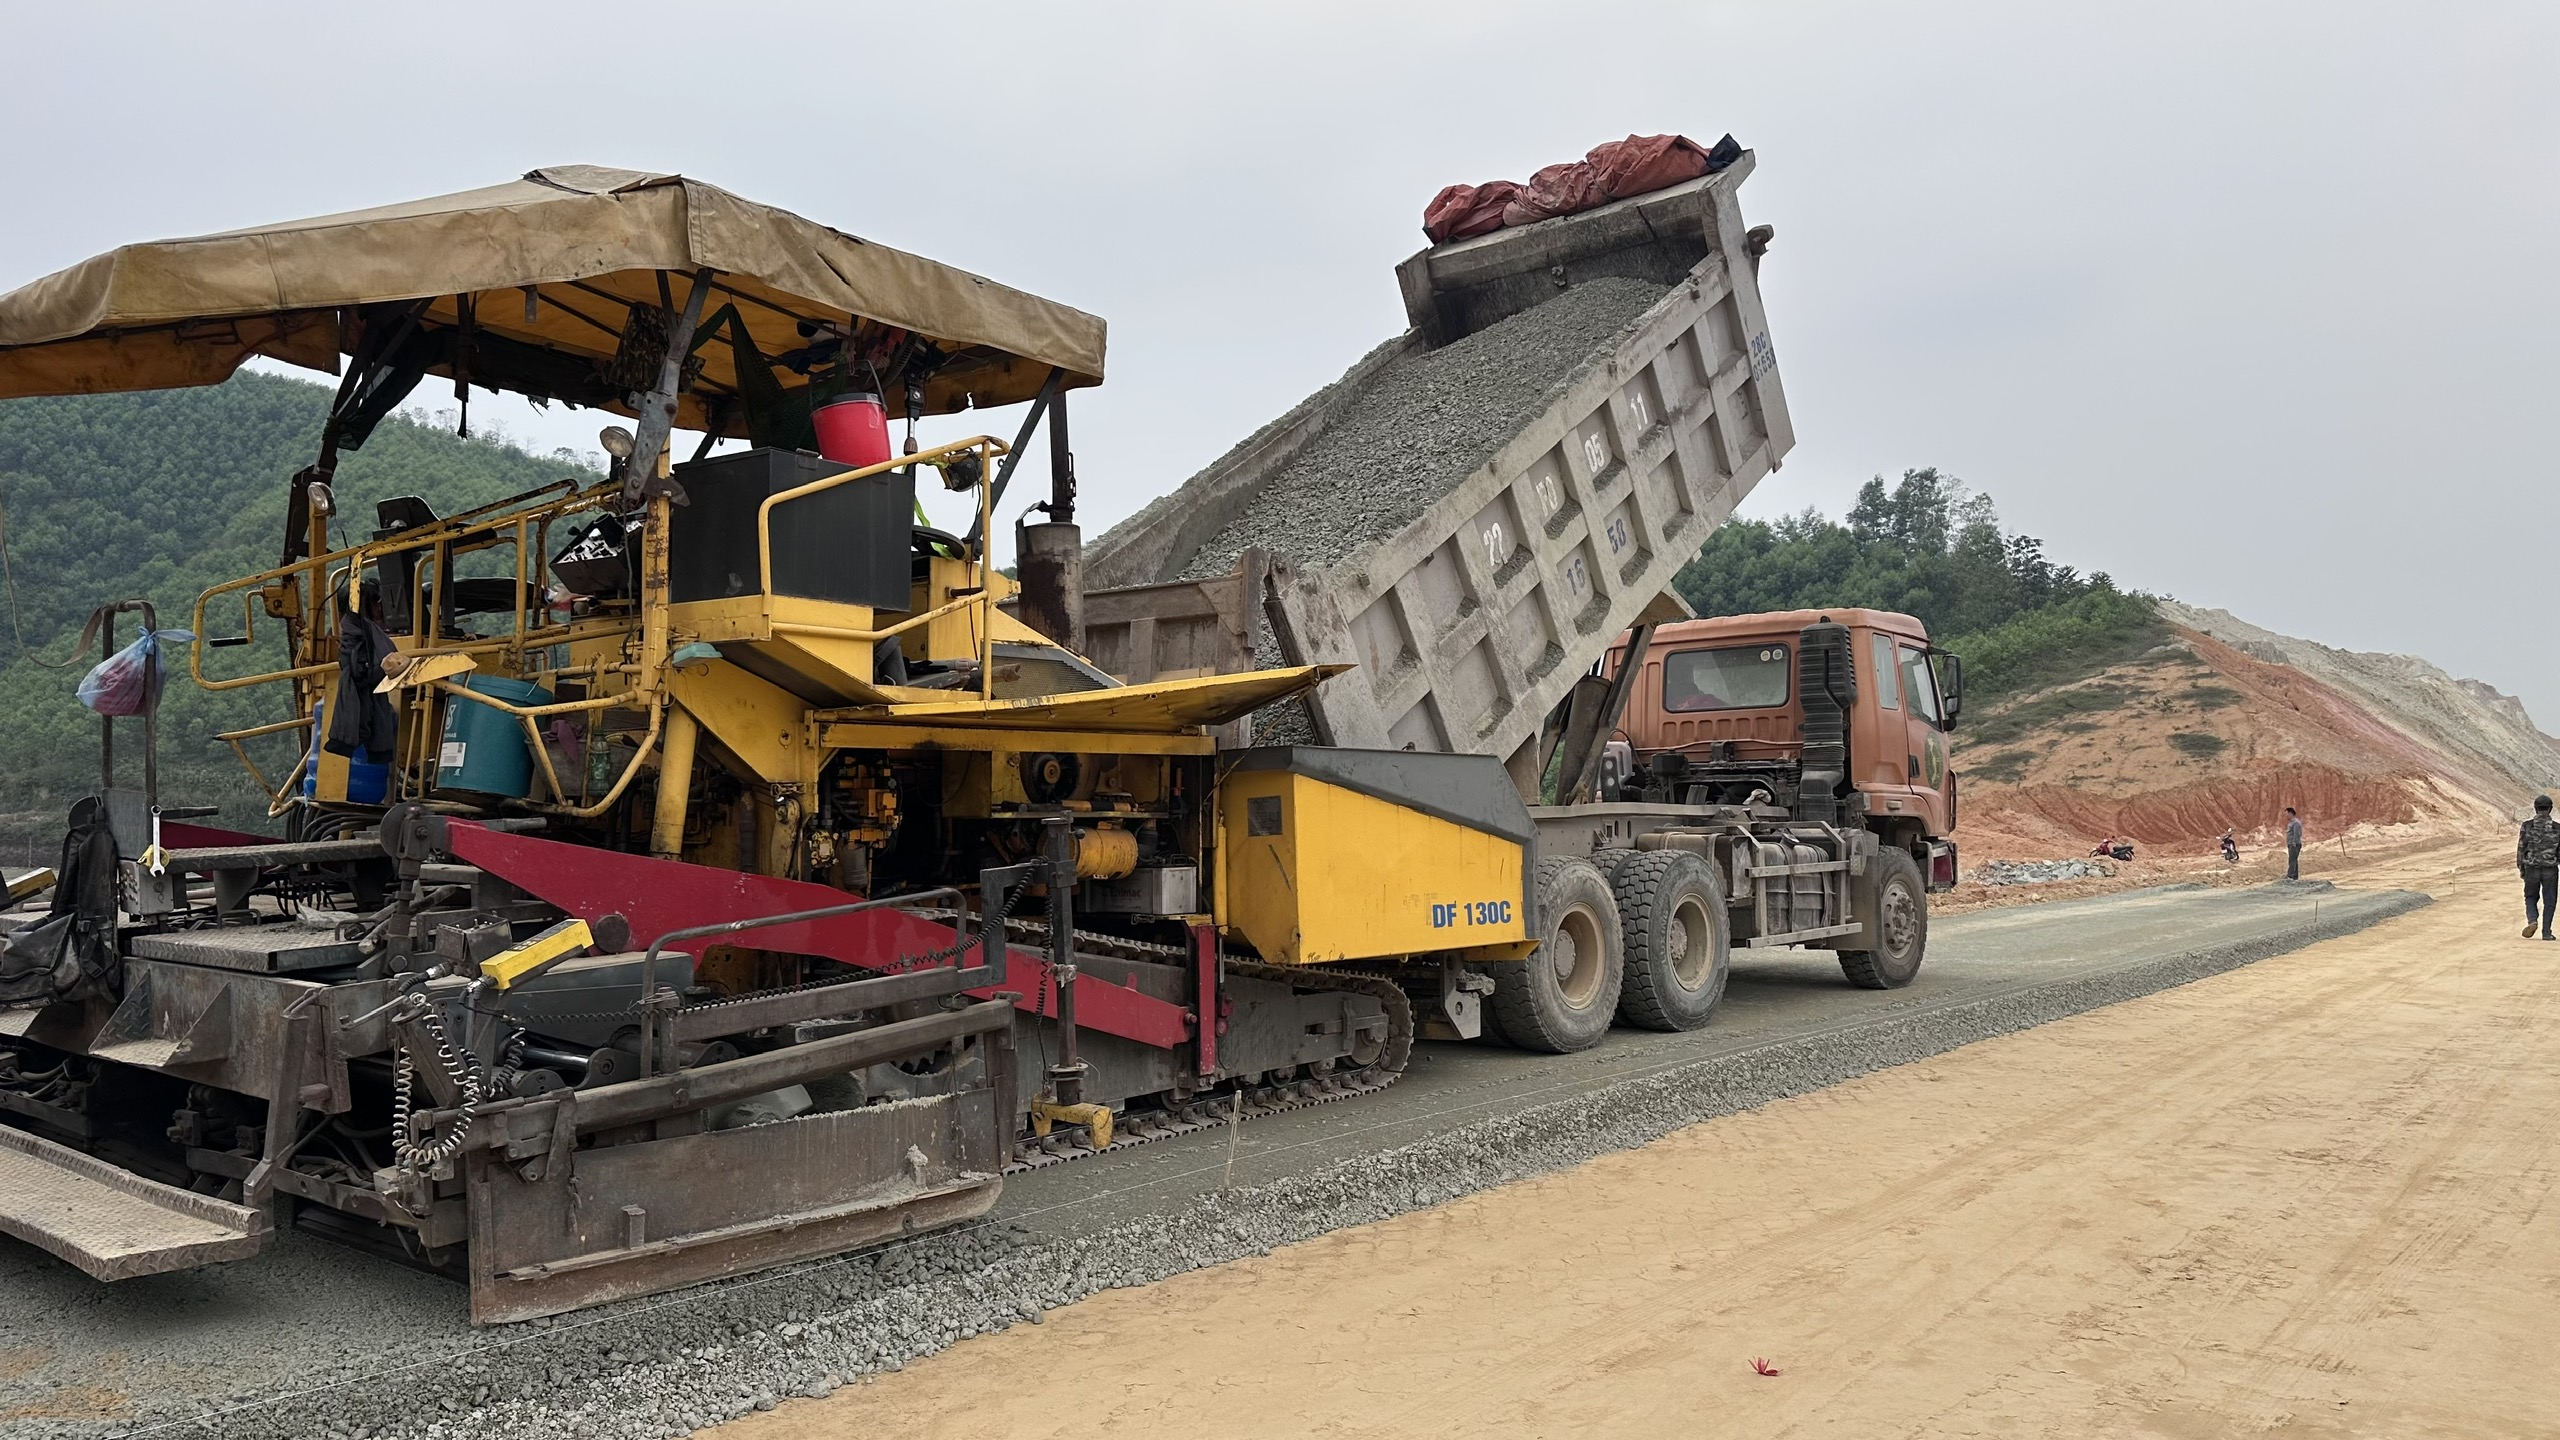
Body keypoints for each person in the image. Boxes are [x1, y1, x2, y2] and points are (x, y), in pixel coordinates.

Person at [2519, 795, 2560, 940]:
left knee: (2530, 896)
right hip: (2550, 870)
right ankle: (2546, 932)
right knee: (2550, 900)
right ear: (2550, 809)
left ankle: (2532, 920)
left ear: (2535, 809)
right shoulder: (2557, 828)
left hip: (2531, 867)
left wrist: (2521, 868)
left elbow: (2521, 849)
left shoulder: (2527, 826)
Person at [2284, 807, 2303, 880]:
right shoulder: (2290, 823)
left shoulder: (2296, 823)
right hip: (2291, 844)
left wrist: (2294, 844)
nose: (2285, 816)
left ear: (2290, 814)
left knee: (2292, 860)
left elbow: (2297, 834)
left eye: (2286, 814)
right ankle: (2295, 876)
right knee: (2293, 860)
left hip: (2294, 845)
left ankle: (2290, 876)